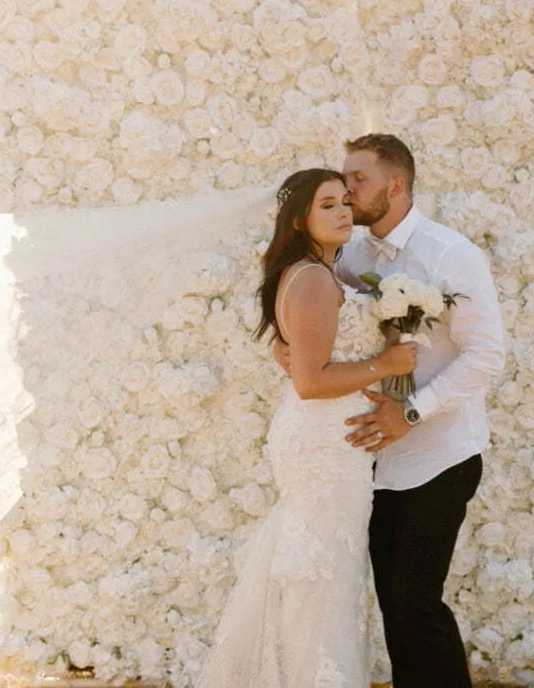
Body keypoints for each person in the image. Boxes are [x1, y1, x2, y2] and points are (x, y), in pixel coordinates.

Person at [277, 134, 507, 688]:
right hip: (366, 461)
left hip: (438, 455)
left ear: (396, 185)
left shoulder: (451, 254)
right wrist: (290, 354)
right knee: (391, 608)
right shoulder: (349, 253)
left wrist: (410, 412)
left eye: (358, 180)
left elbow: (487, 355)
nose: (347, 191)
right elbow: (312, 328)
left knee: (415, 604)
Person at [196, 167, 417, 688]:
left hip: (327, 441)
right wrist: (386, 366)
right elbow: (312, 382)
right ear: (300, 219)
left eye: (345, 202)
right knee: (324, 579)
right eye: (328, 205)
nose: (343, 212)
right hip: (324, 446)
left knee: (316, 573)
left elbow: (292, 357)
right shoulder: (315, 279)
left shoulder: (316, 272)